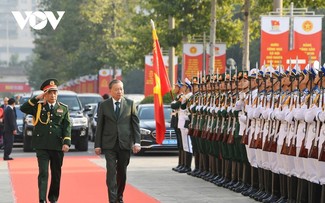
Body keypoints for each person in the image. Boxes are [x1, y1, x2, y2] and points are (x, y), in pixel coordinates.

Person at [20, 78, 71, 203]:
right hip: (42, 145)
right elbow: (23, 108)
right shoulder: (38, 107)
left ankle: (53, 198)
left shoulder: (63, 108)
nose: (53, 95)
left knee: (56, 174)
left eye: (55, 92)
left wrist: (66, 142)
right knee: (43, 173)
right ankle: (42, 199)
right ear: (45, 94)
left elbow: (67, 126)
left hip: (57, 145)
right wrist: (36, 98)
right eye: (50, 92)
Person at [94, 79, 141, 203]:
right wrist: (97, 145)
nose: (119, 91)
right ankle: (112, 199)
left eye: (121, 89)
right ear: (110, 91)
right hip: (109, 144)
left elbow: (135, 124)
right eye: (116, 89)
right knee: (111, 172)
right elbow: (100, 126)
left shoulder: (130, 104)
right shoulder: (104, 105)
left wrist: (137, 142)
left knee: (122, 172)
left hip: (125, 143)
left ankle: (119, 196)